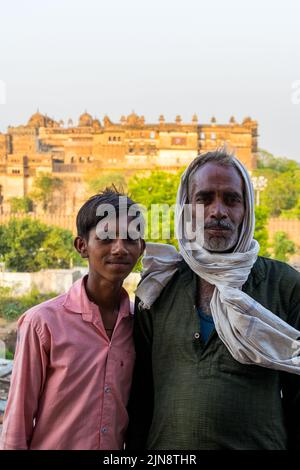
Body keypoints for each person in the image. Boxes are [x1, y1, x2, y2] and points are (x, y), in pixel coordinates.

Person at [127, 149, 300, 450]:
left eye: (231, 199)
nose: (218, 211)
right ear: (185, 208)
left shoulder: (283, 285)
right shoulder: (159, 286)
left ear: (247, 210)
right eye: (204, 199)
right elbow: (141, 395)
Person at [0, 189, 145, 450]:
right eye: (106, 238)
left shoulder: (141, 324)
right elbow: (17, 424)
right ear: (82, 246)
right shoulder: (42, 323)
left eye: (131, 238)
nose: (120, 248)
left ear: (141, 248)